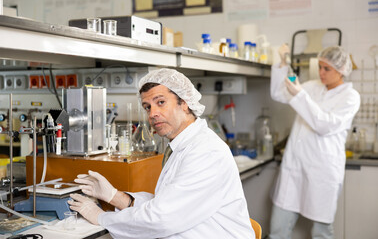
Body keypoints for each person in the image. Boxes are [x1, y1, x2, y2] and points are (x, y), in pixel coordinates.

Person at [68, 68, 255, 238]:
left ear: (185, 102)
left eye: (161, 102)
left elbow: (162, 218)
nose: (152, 113)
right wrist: (114, 196)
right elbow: (166, 204)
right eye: (148, 107)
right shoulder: (181, 145)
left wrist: (100, 217)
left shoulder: (206, 151)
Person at [268, 45, 360, 239]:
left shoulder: (350, 97)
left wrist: (300, 95)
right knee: (277, 229)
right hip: (294, 167)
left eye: (327, 69)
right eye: (319, 67)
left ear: (341, 70)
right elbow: (278, 93)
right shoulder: (312, 86)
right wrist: (283, 63)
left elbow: (323, 125)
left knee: (321, 233)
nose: (321, 72)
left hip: (322, 172)